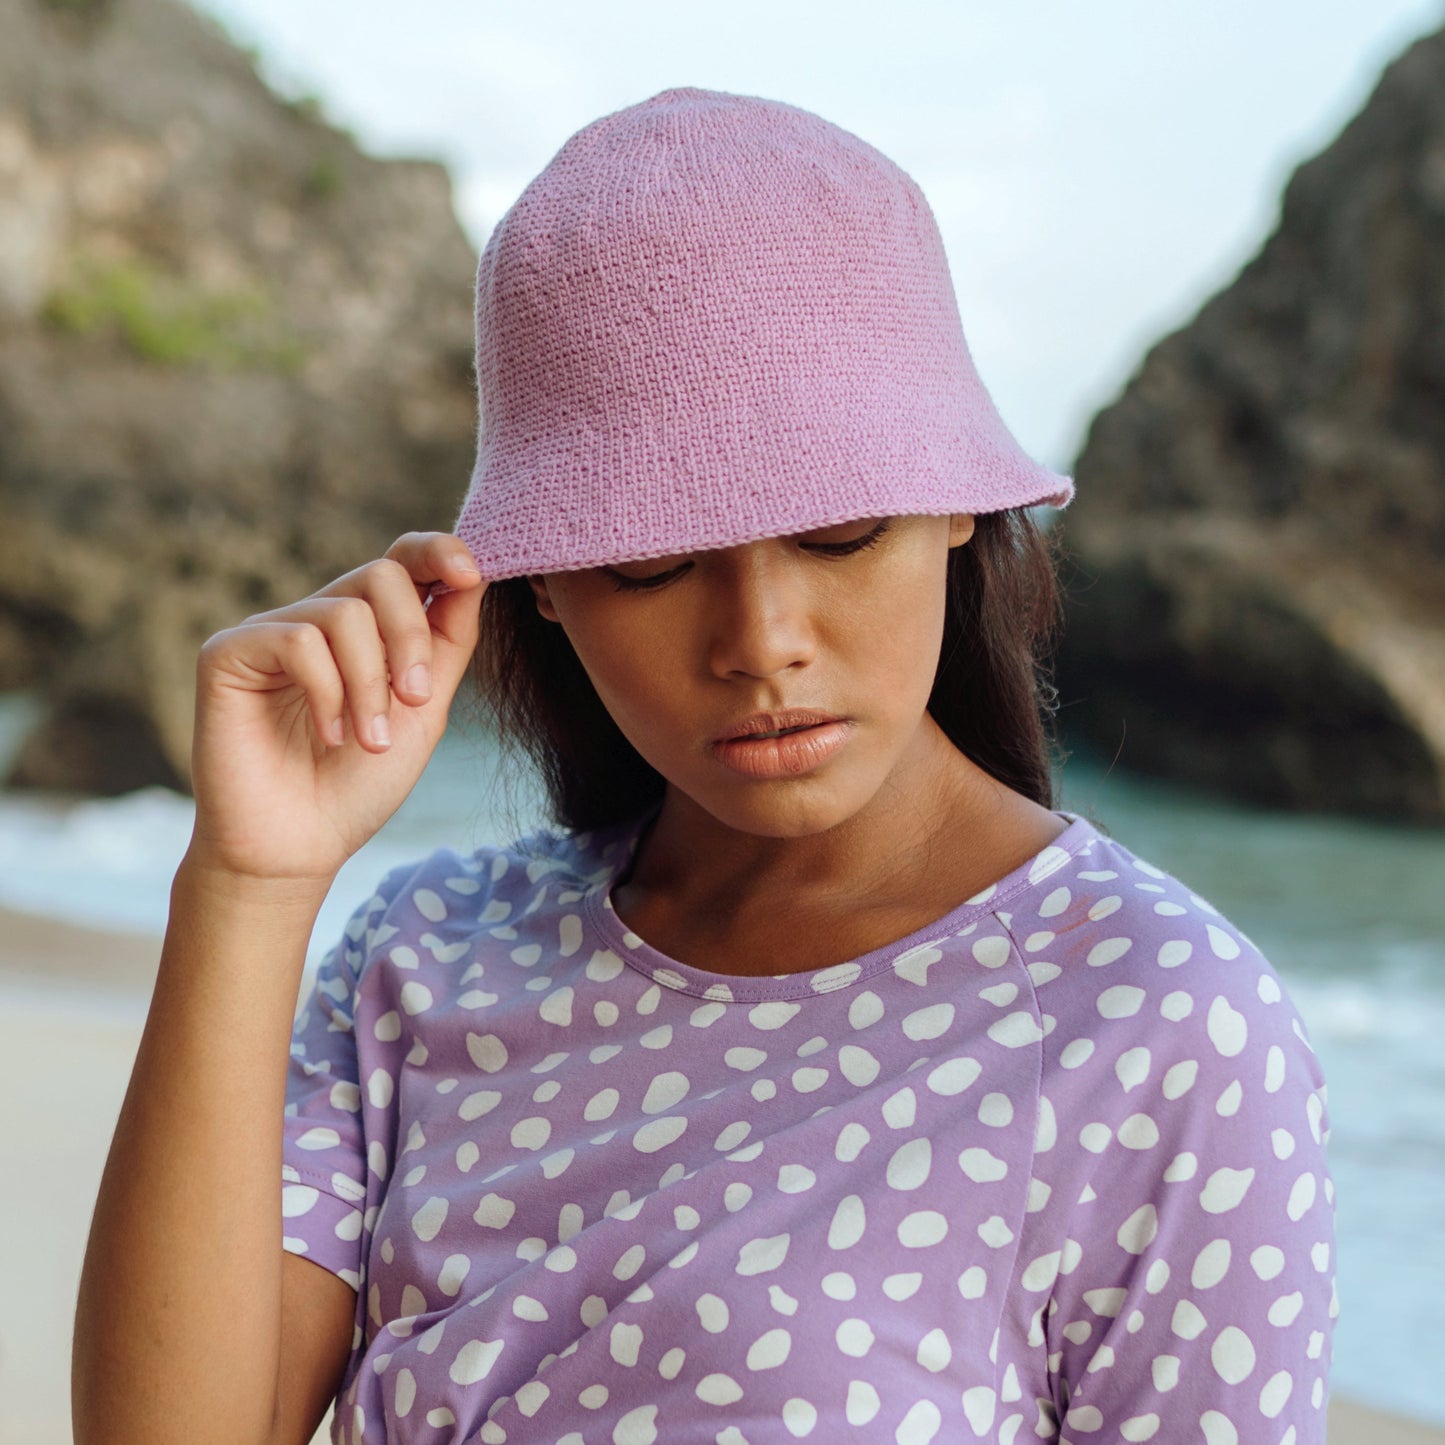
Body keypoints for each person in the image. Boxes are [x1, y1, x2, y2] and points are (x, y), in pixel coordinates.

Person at [73, 87, 1336, 1445]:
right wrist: (251, 883)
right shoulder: (424, 955)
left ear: (957, 499)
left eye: (839, 532)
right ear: (546, 586)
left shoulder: (1153, 1018)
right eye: (651, 561)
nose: (760, 640)